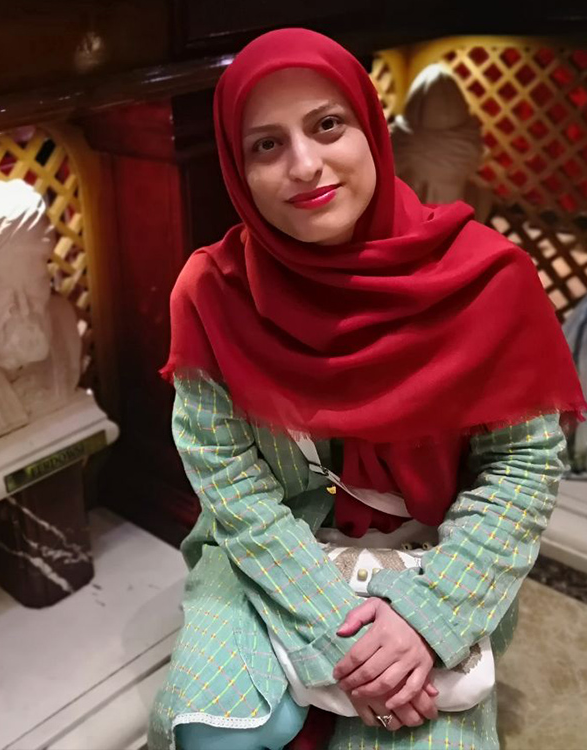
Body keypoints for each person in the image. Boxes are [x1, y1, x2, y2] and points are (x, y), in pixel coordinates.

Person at [148, 28, 584, 750]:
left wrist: (426, 618)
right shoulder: (213, 292)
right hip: (270, 555)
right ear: (237, 166)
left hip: (440, 558)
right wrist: (334, 631)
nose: (304, 165)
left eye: (326, 125)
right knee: (214, 735)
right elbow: (230, 484)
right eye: (266, 144)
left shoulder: (488, 282)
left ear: (372, 128)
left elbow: (524, 465)